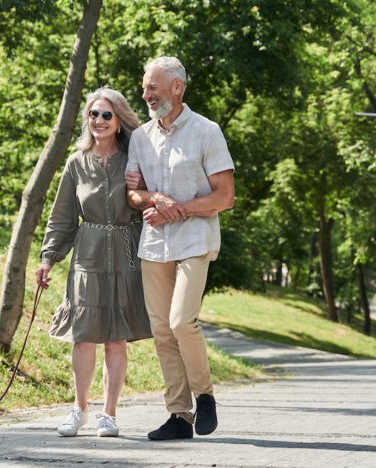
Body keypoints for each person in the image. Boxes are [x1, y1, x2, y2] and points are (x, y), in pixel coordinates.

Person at [125, 56, 235, 441]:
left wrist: (180, 209)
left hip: (195, 239)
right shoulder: (141, 137)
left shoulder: (207, 131)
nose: (146, 95)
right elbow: (133, 192)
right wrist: (154, 197)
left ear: (176, 87)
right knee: (161, 331)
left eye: (152, 87)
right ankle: (179, 415)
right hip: (154, 244)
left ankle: (204, 395)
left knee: (181, 321)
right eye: (144, 88)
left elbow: (225, 196)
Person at [36, 86, 152, 438]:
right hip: (86, 254)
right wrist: (48, 259)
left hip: (125, 252)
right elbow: (62, 218)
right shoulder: (76, 162)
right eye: (93, 114)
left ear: (119, 122)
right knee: (83, 336)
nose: (98, 120)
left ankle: (109, 414)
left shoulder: (135, 160)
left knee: (115, 338)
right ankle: (79, 408)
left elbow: (148, 204)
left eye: (106, 115)